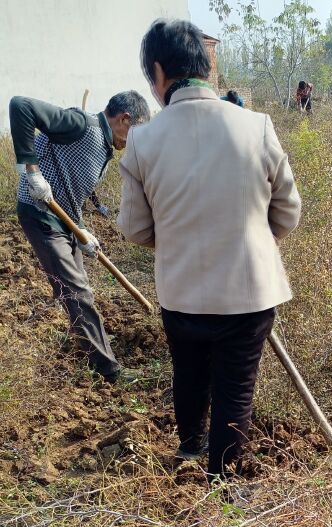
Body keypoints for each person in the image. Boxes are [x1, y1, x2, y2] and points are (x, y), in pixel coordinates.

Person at [118, 19, 301, 479]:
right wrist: (247, 236)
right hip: (248, 295)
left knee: (190, 373)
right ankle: (223, 485)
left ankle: (190, 449)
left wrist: (181, 237)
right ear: (205, 65)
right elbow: (287, 214)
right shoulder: (257, 126)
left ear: (159, 73)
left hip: (181, 293)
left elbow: (136, 229)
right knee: (235, 389)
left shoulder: (141, 140)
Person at [9, 91, 150, 382]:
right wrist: (31, 172)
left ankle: (84, 344)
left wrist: (82, 229)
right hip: (40, 215)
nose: (132, 142)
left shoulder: (104, 147)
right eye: (136, 132)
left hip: (64, 221)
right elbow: (20, 105)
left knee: (78, 287)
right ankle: (108, 370)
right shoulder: (81, 125)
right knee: (76, 291)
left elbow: (70, 189)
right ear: (124, 119)